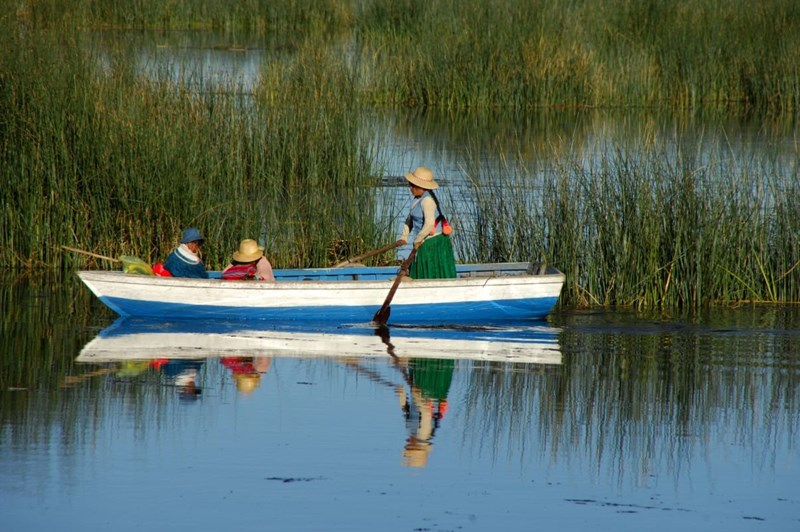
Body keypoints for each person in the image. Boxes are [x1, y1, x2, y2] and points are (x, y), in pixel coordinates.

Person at [396, 166, 457, 279]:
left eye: (412, 185)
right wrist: (404, 237)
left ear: (421, 187)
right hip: (423, 239)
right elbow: (409, 219)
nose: (410, 187)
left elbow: (429, 224)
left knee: (430, 268)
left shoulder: (428, 200)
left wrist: (418, 239)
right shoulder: (417, 199)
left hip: (432, 242)